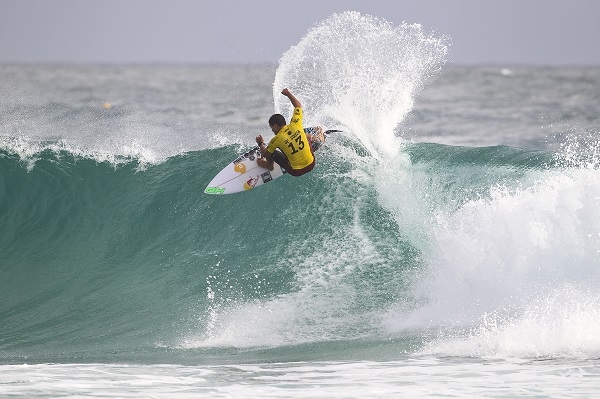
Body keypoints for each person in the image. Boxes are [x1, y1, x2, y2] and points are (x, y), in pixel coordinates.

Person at [255, 88, 319, 177]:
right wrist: (288, 93)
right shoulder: (296, 124)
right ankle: (316, 140)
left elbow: (265, 154)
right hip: (312, 163)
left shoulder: (276, 139)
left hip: (296, 171)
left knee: (271, 152)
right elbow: (298, 106)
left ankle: (269, 166)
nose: (272, 130)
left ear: (276, 126)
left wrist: (260, 143)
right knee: (304, 135)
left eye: (272, 127)